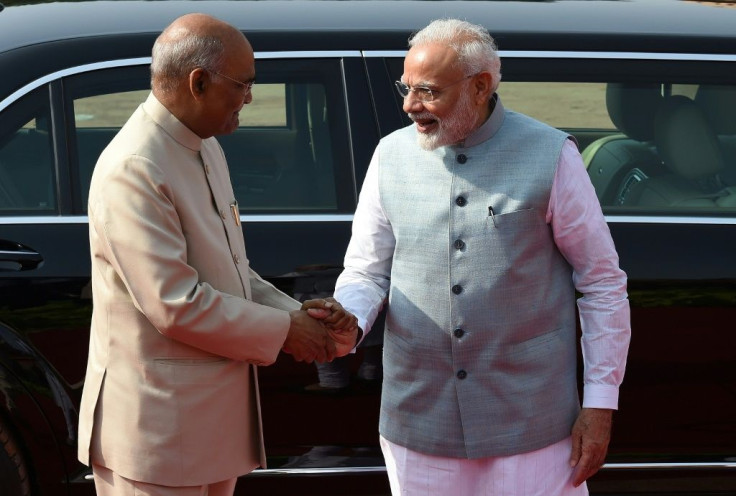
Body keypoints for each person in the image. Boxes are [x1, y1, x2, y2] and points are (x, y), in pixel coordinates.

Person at [334, 18, 631, 496]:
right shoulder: (390, 155)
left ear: (480, 86)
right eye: (406, 88)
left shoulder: (550, 154)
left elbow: (601, 282)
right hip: (418, 422)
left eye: (427, 92)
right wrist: (349, 318)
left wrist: (599, 405)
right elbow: (367, 270)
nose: (409, 106)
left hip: (532, 424)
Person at [76, 13, 357, 496]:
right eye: (242, 84)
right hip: (157, 438)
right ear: (198, 82)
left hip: (205, 429)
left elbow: (230, 272)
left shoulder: (202, 146)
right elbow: (176, 304)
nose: (249, 97)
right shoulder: (136, 167)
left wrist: (299, 314)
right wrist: (287, 330)